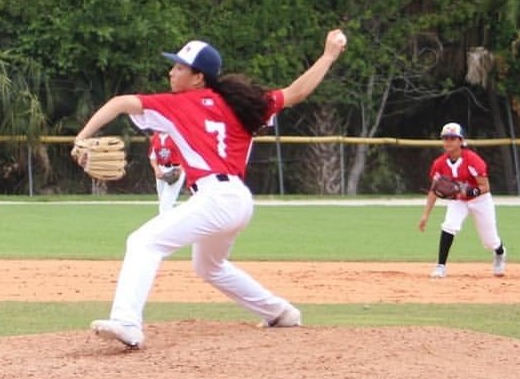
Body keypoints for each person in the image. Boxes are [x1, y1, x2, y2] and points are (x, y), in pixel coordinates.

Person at [72, 30, 346, 348]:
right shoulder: (242, 104)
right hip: (238, 200)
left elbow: (120, 103)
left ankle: (126, 322)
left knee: (143, 242)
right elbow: (296, 92)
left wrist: (81, 136)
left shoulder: (177, 104)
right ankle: (279, 312)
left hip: (216, 198)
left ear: (198, 77)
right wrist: (328, 56)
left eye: (179, 67)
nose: (172, 71)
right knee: (208, 266)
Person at [418, 122, 507, 278]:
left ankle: (499, 252)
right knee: (449, 225)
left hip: (480, 200)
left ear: (460, 141)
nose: (448, 142)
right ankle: (440, 266)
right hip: (458, 200)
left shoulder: (472, 160)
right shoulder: (439, 163)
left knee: (489, 240)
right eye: (445, 138)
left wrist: (471, 190)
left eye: (452, 138)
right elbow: (434, 190)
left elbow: (485, 187)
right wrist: (425, 215)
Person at [148, 131, 186, 213]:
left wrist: (181, 169)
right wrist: (156, 169)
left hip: (176, 169)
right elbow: (152, 157)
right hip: (161, 170)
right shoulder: (156, 137)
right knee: (162, 201)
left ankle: (164, 224)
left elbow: (186, 153)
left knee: (165, 205)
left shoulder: (176, 134)